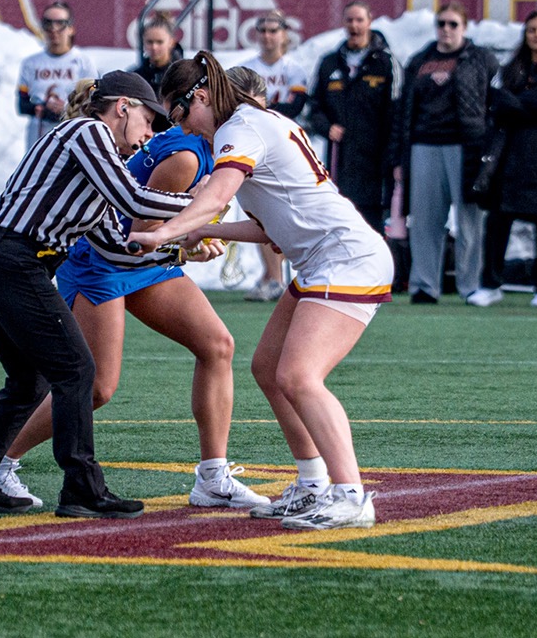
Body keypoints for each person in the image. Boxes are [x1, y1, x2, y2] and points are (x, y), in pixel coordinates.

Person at [132, 51, 394, 531]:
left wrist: (164, 232)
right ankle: (314, 482)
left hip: (346, 259)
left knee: (298, 375)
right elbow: (271, 229)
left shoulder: (242, 128)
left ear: (204, 96)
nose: (184, 130)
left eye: (180, 114)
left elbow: (213, 198)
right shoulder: (253, 126)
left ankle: (351, 495)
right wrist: (203, 232)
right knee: (269, 369)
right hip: (324, 258)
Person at [0, 72, 264, 511]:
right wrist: (193, 233)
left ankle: (212, 477)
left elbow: (157, 237)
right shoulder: (188, 158)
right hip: (104, 261)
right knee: (97, 386)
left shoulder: (216, 149)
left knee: (217, 345)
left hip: (141, 261)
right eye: (248, 110)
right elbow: (140, 231)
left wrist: (187, 242)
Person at [0, 70, 192, 519]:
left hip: (0, 261)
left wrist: (178, 247)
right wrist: (204, 207)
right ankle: (81, 488)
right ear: (123, 107)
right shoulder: (88, 130)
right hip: (13, 262)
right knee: (76, 371)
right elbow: (133, 202)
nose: (149, 135)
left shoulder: (92, 165)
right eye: (148, 121)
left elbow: (117, 247)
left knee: (28, 381)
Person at [394, 1, 498, 305]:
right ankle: (424, 286)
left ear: (464, 27)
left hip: (466, 146)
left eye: (453, 24)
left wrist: (488, 151)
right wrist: (400, 155)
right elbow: (404, 111)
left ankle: (471, 286)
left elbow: (494, 106)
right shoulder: (419, 60)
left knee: (469, 220)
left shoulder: (481, 59)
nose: (446, 29)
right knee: (425, 221)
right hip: (424, 144)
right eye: (441, 23)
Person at [476, 11, 537, 310]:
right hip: (510, 152)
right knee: (497, 220)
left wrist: (517, 101)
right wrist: (530, 102)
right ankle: (490, 285)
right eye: (532, 30)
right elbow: (495, 99)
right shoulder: (511, 67)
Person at [308, 1, 401, 290]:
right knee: (338, 214)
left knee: (372, 217)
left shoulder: (385, 62)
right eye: (349, 20)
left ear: (370, 21)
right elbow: (314, 108)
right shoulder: (329, 62)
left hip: (374, 158)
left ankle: (376, 276)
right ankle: (339, 275)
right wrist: (327, 127)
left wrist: (392, 155)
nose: (354, 26)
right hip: (339, 158)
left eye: (359, 19)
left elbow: (397, 113)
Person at [239, 10, 308, 302]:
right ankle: (273, 277)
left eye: (273, 30)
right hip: (257, 145)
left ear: (284, 34)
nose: (268, 36)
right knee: (260, 209)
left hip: (287, 146)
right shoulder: (246, 69)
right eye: (263, 30)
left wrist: (263, 114)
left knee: (283, 210)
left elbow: (296, 104)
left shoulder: (294, 68)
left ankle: (274, 276)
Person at [16, 2, 96, 147]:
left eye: (60, 24)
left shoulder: (83, 62)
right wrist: (41, 108)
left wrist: (67, 109)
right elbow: (22, 104)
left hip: (72, 134)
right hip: (39, 135)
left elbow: (94, 101)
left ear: (71, 28)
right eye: (48, 23)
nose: (53, 29)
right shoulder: (31, 63)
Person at [130, 12, 183, 94]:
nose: (154, 47)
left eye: (160, 42)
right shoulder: (136, 76)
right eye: (149, 42)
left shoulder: (184, 74)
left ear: (171, 42)